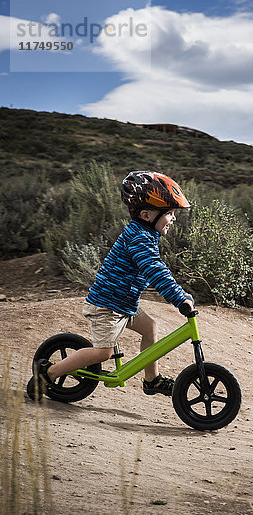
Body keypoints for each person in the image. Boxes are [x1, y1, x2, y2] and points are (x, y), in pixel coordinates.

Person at [31, 171, 193, 400]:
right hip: (107, 305)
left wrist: (179, 293)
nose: (174, 218)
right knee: (104, 352)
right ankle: (47, 373)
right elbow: (155, 270)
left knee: (150, 328)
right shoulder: (138, 238)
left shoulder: (145, 233)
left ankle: (151, 380)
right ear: (147, 215)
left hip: (123, 303)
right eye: (169, 213)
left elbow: (156, 266)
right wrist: (179, 297)